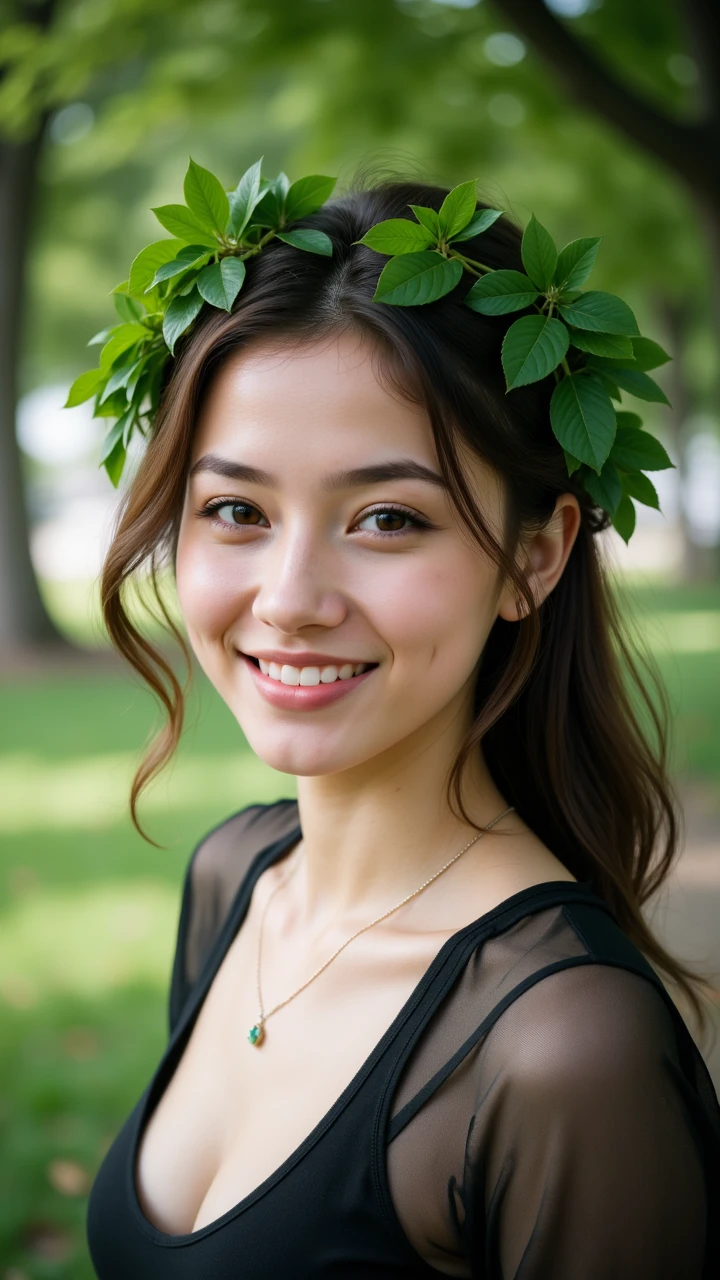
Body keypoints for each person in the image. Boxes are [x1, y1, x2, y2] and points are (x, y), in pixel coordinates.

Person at [86, 177, 720, 1278]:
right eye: (236, 508)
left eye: (388, 517)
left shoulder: (564, 1050)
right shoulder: (237, 874)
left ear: (536, 554)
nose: (289, 597)